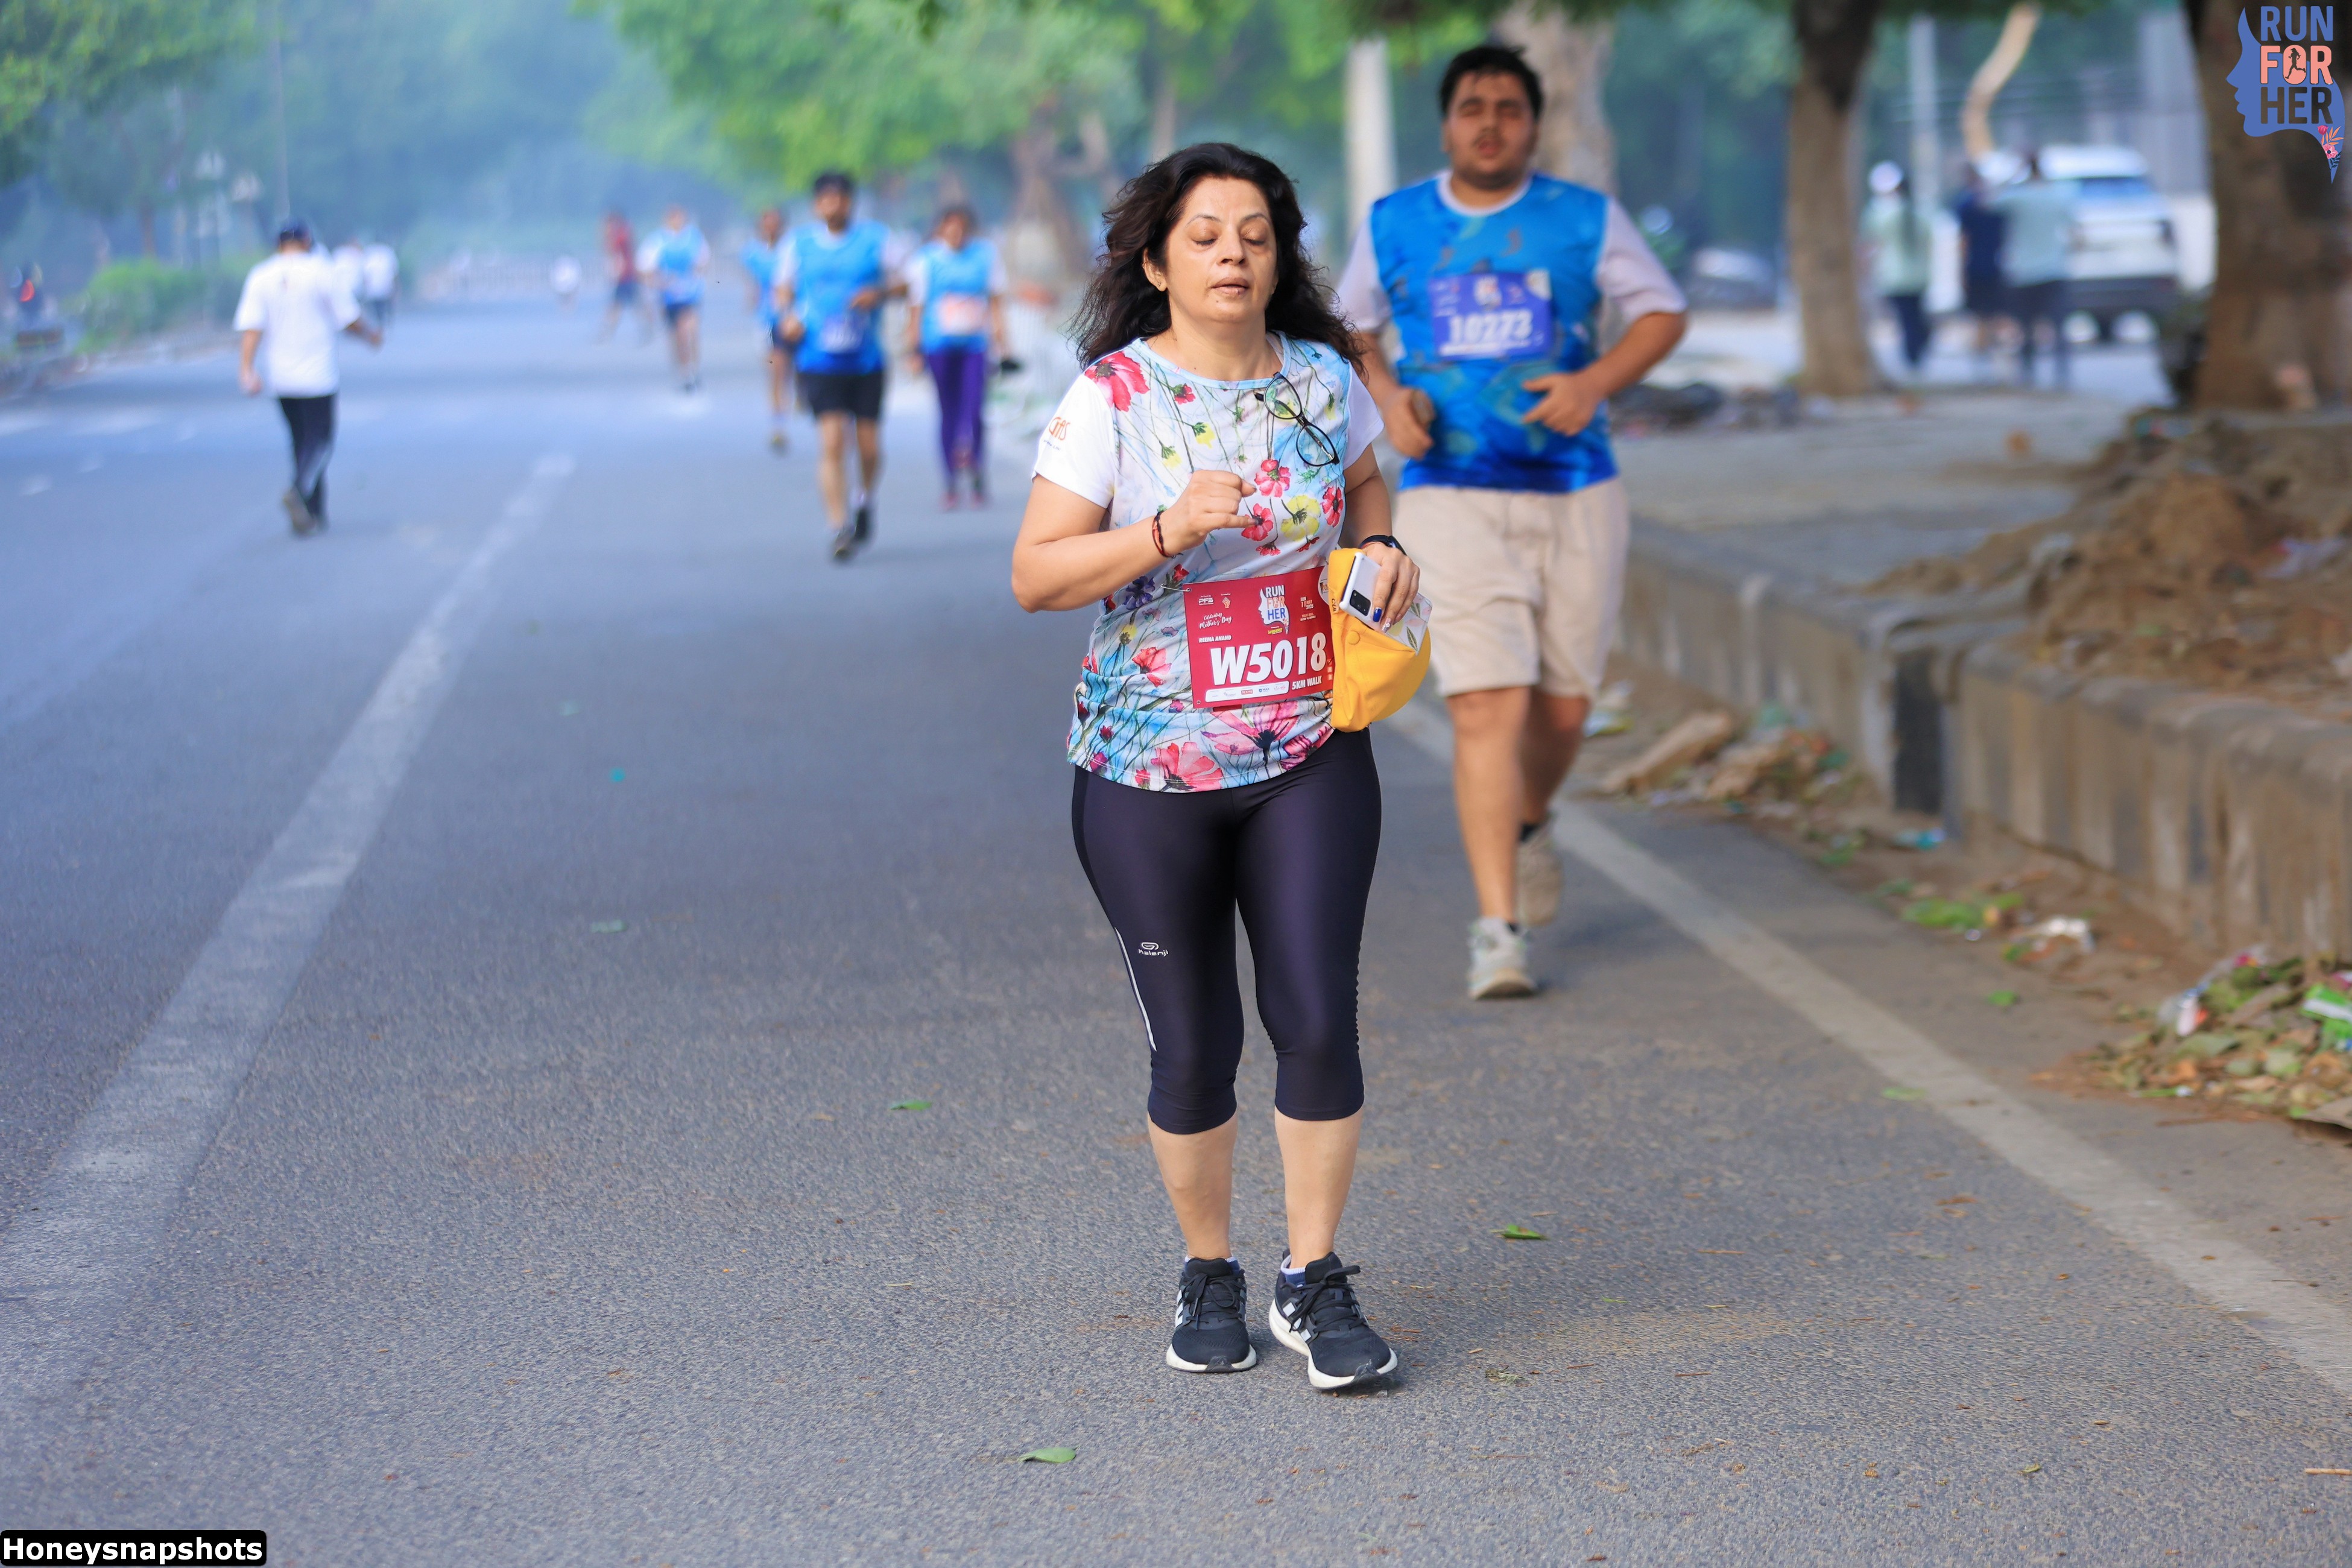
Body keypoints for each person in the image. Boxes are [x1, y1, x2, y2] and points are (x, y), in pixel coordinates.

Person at [1013, 142, 1421, 1393]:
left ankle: (1314, 1275)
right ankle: (1209, 1271)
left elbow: (1369, 480)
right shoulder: (1114, 398)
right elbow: (1036, 575)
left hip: (1309, 747)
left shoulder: (1323, 379)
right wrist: (1165, 528)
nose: (1234, 254)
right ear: (1157, 261)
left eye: (1255, 234)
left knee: (1318, 1016)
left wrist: (1380, 550)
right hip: (1146, 771)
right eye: (1205, 236)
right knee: (1193, 1046)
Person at [1336, 43, 1687, 999]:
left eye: (1507, 108)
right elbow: (1347, 323)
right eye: (1471, 107)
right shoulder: (1397, 222)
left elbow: (1661, 312)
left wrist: (1594, 382)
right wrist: (1388, 396)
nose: (1489, 124)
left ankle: (1530, 819)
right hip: (1449, 492)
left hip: (1577, 489)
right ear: (1447, 123)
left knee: (1563, 707)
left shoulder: (1585, 219)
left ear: (1533, 124)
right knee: (1486, 701)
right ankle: (1499, 930)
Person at [775, 171, 907, 560]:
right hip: (818, 359)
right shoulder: (798, 244)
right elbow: (782, 290)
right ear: (816, 205)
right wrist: (787, 316)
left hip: (866, 360)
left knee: (869, 447)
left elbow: (907, 282)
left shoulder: (876, 240)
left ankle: (864, 499)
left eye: (840, 198)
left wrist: (879, 293)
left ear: (851, 202)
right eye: (825, 199)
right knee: (831, 442)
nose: (833, 206)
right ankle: (838, 526)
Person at [234, 217, 382, 536]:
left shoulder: (262, 275)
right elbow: (348, 319)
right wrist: (370, 335)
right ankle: (300, 491)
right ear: (306, 241)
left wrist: (247, 368)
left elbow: (252, 327)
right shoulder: (321, 271)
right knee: (321, 441)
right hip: (318, 376)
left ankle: (314, 513)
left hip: (281, 377)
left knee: (301, 442)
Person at [905, 204, 1008, 508]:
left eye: (961, 227)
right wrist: (914, 349)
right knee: (948, 410)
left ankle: (976, 468)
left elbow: (996, 301)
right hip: (939, 346)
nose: (956, 233)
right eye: (950, 227)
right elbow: (916, 309)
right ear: (940, 229)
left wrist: (1003, 341)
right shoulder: (926, 260)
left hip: (975, 346)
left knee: (975, 408)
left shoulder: (985, 256)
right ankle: (950, 478)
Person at [1991, 151, 2076, 390]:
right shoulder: (2060, 195)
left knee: (2026, 329)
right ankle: (2062, 375)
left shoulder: (2017, 197)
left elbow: (1990, 201)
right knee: (2059, 327)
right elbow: (2074, 229)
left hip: (2023, 271)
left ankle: (2028, 374)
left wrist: (2013, 175)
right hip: (2054, 269)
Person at [1861, 162, 1933, 377]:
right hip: (1919, 275)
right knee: (1915, 315)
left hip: (1894, 276)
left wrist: (1866, 272)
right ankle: (1916, 351)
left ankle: (1912, 355)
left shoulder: (1881, 214)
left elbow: (1871, 245)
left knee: (1905, 318)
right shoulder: (1922, 213)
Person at [743, 207, 793, 451]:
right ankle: (778, 424)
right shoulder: (753, 253)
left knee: (793, 370)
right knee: (775, 370)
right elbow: (752, 283)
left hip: (792, 318)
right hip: (767, 319)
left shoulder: (792, 250)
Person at [1953, 163, 2009, 371]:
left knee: (1980, 316)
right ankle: (1991, 358)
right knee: (1994, 315)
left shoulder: (1966, 205)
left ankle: (1982, 359)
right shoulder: (1997, 203)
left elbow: (1964, 240)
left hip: (1976, 266)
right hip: (1996, 265)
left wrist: (1960, 270)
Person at [649, 206, 709, 391]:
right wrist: (661, 282)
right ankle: (683, 371)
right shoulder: (658, 240)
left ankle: (693, 370)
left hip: (690, 296)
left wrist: (694, 276)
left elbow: (703, 261)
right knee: (676, 338)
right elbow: (645, 269)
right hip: (669, 298)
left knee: (690, 332)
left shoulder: (694, 237)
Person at [598, 210, 651, 344]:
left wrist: (605, 234)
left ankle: (649, 327)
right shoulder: (623, 233)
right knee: (623, 305)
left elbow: (611, 250)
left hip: (627, 276)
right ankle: (607, 332)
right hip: (625, 276)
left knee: (628, 305)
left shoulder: (621, 235)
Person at [359, 241, 399, 330]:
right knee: (379, 313)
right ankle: (379, 327)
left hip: (379, 291)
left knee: (378, 312)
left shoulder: (371, 254)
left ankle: (379, 327)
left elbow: (365, 276)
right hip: (380, 291)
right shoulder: (387, 253)